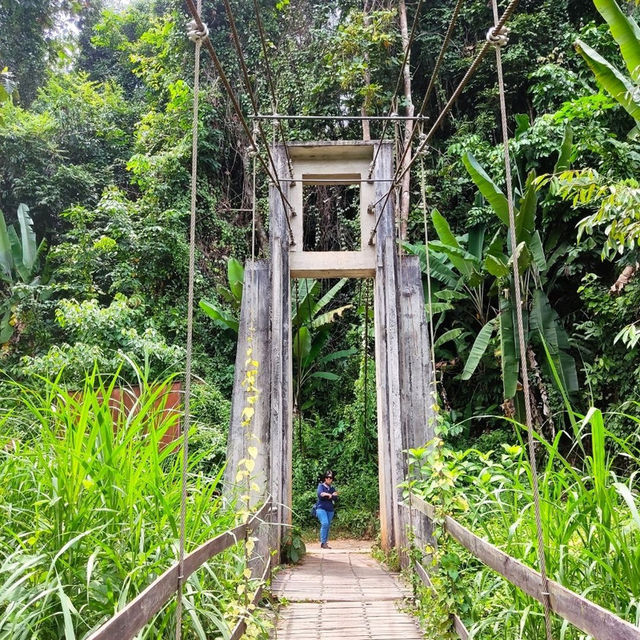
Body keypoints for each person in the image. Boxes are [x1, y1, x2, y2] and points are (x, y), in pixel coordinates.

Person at [316, 470, 338, 549]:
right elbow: (320, 494)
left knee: (327, 525)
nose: (329, 479)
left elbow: (336, 497)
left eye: (330, 478)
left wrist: (330, 495)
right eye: (327, 477)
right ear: (325, 478)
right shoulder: (321, 486)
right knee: (325, 523)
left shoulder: (332, 488)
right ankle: (323, 542)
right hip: (321, 508)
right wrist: (329, 495)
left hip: (330, 509)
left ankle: (325, 542)